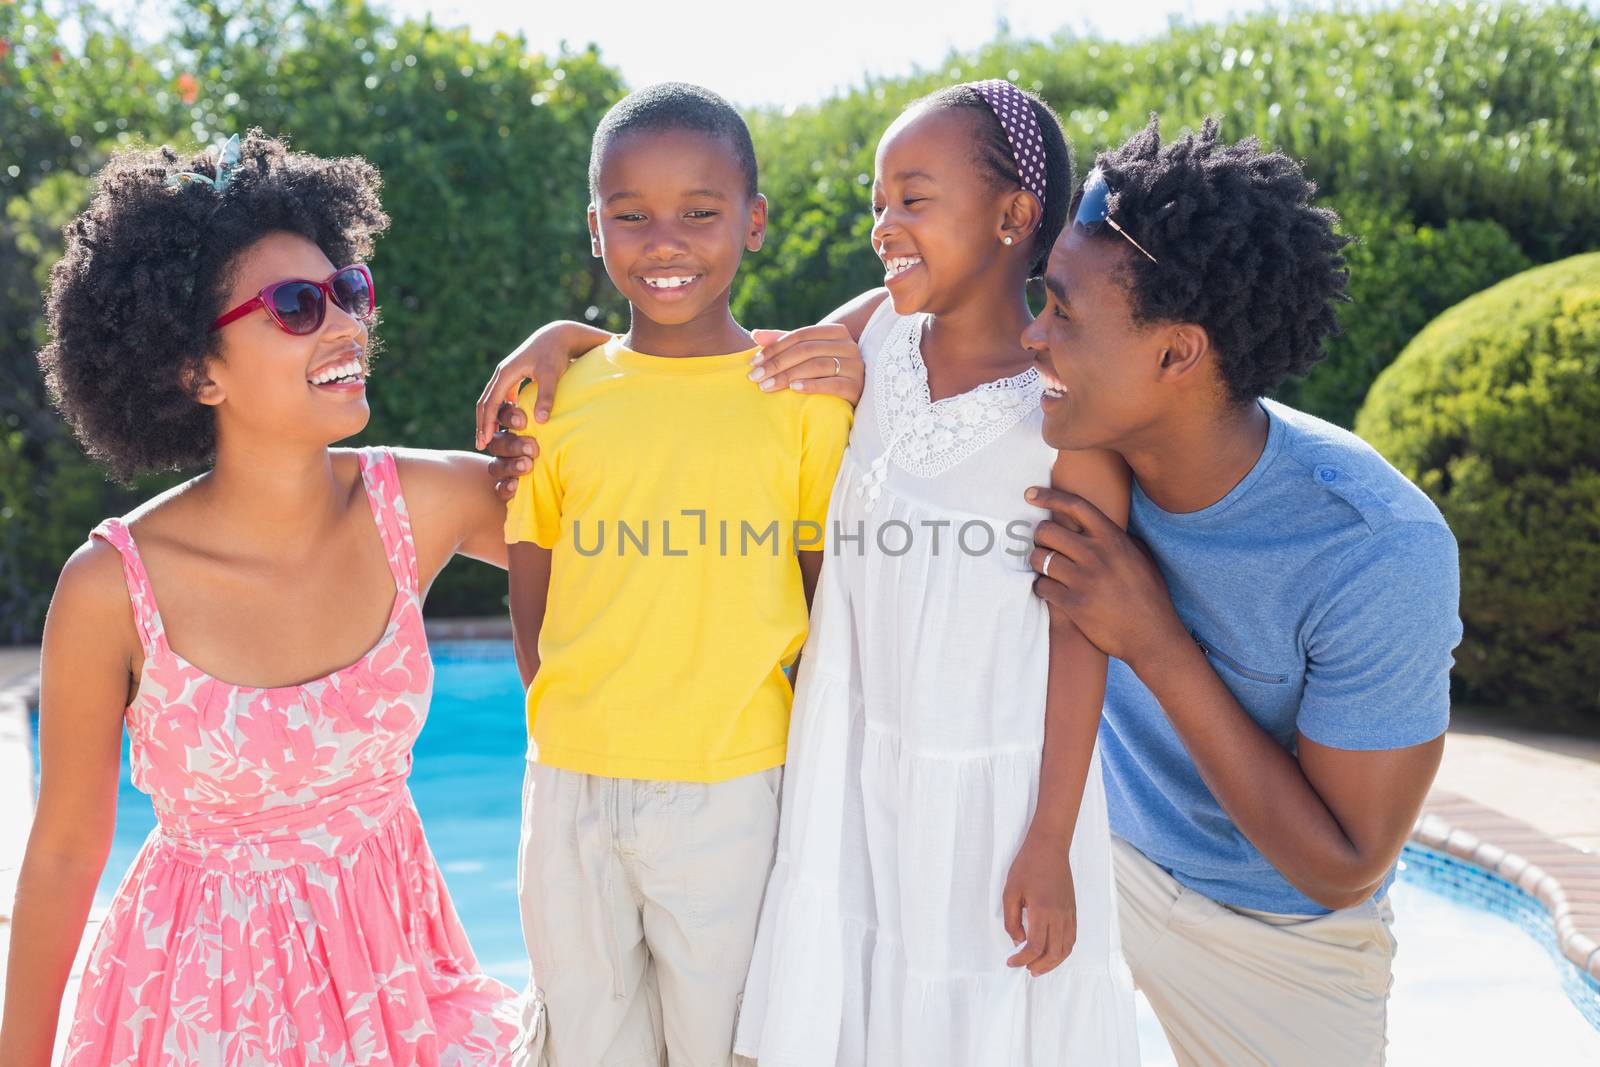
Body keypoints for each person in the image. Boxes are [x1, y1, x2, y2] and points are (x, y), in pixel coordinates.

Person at [485, 80, 1140, 1067]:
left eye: (911, 199)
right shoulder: (874, 340)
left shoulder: (1061, 412)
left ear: (1012, 215)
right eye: (878, 202)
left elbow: (1078, 630)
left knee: (975, 1008)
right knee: (847, 1006)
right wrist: (564, 341)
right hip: (846, 759)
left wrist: (1050, 837)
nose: (884, 224)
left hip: (983, 782)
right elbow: (711, 361)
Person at [0, 131, 521, 1066]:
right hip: (194, 1008)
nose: (344, 324)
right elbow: (64, 857)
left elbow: (619, 516)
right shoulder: (112, 586)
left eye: (347, 291)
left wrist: (576, 352)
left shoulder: (422, 505)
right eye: (293, 305)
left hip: (398, 994)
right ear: (196, 370)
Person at [1021, 117, 1462, 1066]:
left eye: (1062, 312)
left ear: (1178, 354)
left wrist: (1155, 639)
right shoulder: (1063, 429)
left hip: (1280, 937)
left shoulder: (1375, 548)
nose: (1031, 335)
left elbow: (1345, 864)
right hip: (1098, 861)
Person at [498, 84, 854, 1066]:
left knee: (729, 1041)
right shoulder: (555, 398)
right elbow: (534, 589)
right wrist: (579, 724)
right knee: (585, 1041)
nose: (666, 240)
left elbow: (826, 599)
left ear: (753, 219)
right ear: (594, 226)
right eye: (632, 214)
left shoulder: (801, 402)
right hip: (570, 782)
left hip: (734, 790)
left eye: (700, 212)